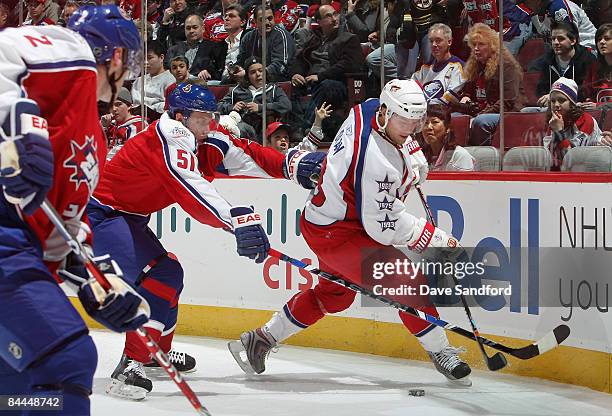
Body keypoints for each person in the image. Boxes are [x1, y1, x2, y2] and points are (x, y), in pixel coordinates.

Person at [88, 81, 325, 399]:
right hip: (103, 216)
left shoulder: (204, 134)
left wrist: (290, 165)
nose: (209, 124)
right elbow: (190, 188)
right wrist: (234, 219)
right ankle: (131, 364)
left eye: (211, 116)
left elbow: (247, 156)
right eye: (202, 117)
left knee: (171, 274)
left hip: (129, 218)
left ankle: (156, 351)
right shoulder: (168, 136)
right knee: (163, 275)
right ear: (180, 115)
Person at [229, 79, 473, 386]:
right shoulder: (376, 162)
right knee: (407, 282)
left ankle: (261, 339)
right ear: (387, 112)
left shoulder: (367, 110)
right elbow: (385, 224)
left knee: (335, 295)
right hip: (340, 232)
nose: (410, 129)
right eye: (404, 122)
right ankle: (441, 351)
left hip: (326, 222)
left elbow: (391, 131)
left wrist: (412, 152)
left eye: (415, 123)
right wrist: (436, 240)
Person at [0, 5, 149, 415]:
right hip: (5, 244)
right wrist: (19, 126)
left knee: (16, 391)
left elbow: (63, 227)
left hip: (18, 251)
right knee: (67, 362)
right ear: (115, 56)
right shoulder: (73, 54)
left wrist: (95, 281)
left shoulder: (94, 142)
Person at [441, 23, 524, 145]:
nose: (476, 48)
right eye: (474, 44)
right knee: (453, 118)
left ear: (492, 46)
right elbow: (469, 91)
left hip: (507, 114)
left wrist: (480, 114)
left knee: (480, 121)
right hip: (480, 111)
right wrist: (466, 97)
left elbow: (507, 102)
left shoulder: (507, 66)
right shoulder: (475, 66)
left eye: (481, 44)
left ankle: (483, 155)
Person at [218, 56, 292, 141]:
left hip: (261, 132)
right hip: (239, 125)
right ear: (248, 76)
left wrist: (260, 107)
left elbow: (286, 105)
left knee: (237, 128)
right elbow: (218, 106)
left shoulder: (274, 89)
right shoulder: (238, 90)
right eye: (253, 72)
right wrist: (232, 107)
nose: (258, 74)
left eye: (260, 71)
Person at [543, 77, 604, 169]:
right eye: (553, 101)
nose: (556, 105)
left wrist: (559, 132)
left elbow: (572, 160)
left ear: (572, 103)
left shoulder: (586, 120)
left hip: (591, 170)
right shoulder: (553, 121)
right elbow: (547, 155)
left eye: (562, 100)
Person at [235, 5, 295, 82]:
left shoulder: (281, 35)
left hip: (278, 80)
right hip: (253, 79)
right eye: (262, 20)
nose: (267, 23)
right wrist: (236, 69)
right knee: (225, 81)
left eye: (270, 19)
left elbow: (280, 66)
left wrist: (252, 74)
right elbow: (241, 61)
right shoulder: (248, 37)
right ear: (255, 21)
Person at [412, 24, 465, 103]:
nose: (434, 44)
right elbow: (410, 87)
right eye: (431, 41)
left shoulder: (459, 67)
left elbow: (449, 100)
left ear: (449, 42)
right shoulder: (425, 68)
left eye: (438, 40)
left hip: (443, 113)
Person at [419, 104, 474, 171]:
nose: (429, 127)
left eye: (435, 122)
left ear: (447, 128)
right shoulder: (419, 155)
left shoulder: (459, 155)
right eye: (425, 123)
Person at [131, 40, 176, 121]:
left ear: (161, 57)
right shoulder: (138, 81)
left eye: (150, 58)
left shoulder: (170, 80)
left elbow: (169, 107)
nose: (145, 62)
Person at [582, 24, 612, 106]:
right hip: (599, 116)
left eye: (607, 39)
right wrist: (587, 103)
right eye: (599, 40)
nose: (602, 42)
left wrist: (599, 105)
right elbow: (587, 93)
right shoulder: (594, 67)